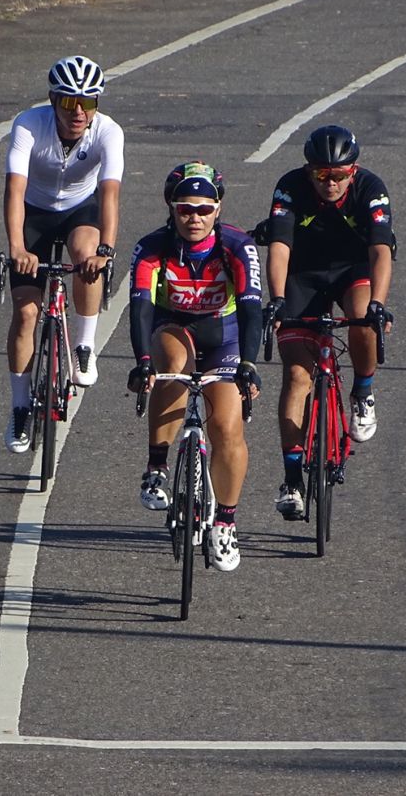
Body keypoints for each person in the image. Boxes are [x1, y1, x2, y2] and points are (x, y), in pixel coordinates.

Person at [128, 162, 262, 572]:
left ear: (218, 209)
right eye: (186, 208)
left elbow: (253, 310)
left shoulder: (238, 247)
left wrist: (249, 365)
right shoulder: (152, 248)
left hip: (224, 335)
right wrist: (143, 364)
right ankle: (156, 466)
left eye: (204, 208)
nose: (195, 217)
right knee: (170, 363)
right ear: (171, 207)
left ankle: (225, 521)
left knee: (226, 424)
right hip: (175, 327)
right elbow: (140, 310)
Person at [260, 125, 395, 521]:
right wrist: (278, 299)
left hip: (352, 269)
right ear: (309, 172)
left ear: (353, 171)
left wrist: (378, 304)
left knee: (362, 321)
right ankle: (291, 479)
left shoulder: (371, 187)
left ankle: (363, 392)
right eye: (322, 175)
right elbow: (280, 248)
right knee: (298, 377)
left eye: (339, 175)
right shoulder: (289, 186)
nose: (330, 183)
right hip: (302, 274)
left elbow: (381, 250)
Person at [2, 55, 124, 452]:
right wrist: (17, 247)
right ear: (53, 100)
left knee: (86, 251)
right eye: (69, 102)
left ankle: (84, 348)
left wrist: (105, 251)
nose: (78, 112)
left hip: (80, 209)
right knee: (25, 313)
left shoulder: (108, 132)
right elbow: (15, 190)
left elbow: (109, 194)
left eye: (87, 104)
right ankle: (20, 407)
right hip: (34, 212)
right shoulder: (28, 125)